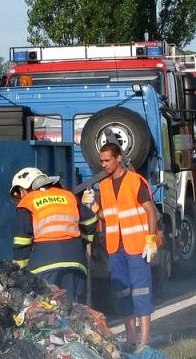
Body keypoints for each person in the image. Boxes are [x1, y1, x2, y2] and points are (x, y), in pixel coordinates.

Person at [83, 143, 159, 346]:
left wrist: (151, 240)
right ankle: (131, 339)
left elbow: (150, 211)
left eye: (107, 160)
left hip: (137, 247)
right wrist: (92, 206)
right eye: (102, 161)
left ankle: (144, 342)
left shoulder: (135, 182)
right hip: (116, 248)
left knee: (141, 293)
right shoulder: (105, 186)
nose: (104, 164)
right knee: (123, 294)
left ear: (119, 159)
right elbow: (106, 216)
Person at [9, 167, 97, 303]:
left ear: (23, 190)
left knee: (46, 310)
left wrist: (20, 271)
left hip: (45, 264)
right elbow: (91, 220)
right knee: (73, 307)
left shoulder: (28, 201)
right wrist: (82, 243)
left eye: (20, 193)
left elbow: (22, 242)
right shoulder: (67, 195)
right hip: (75, 261)